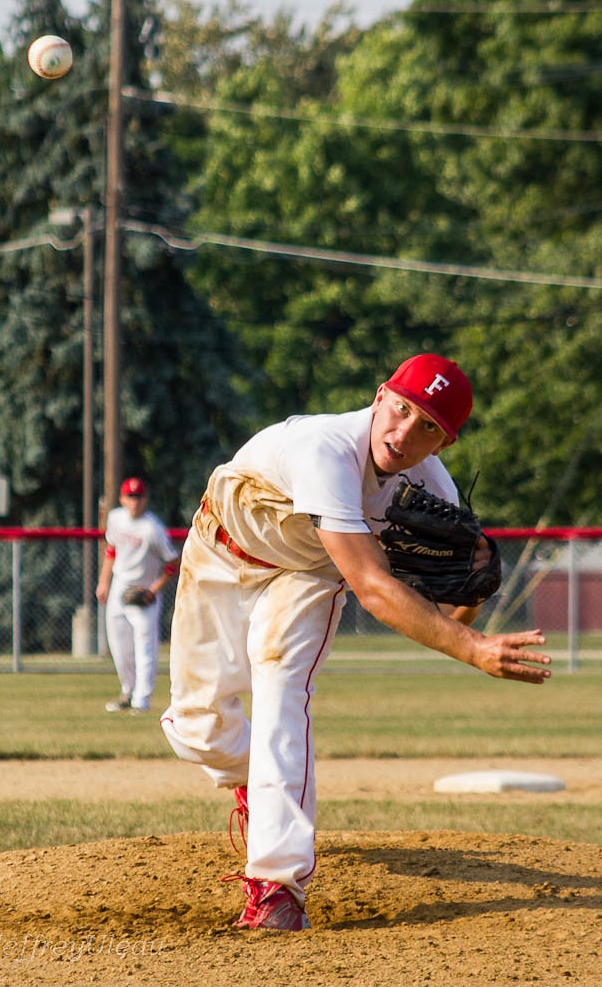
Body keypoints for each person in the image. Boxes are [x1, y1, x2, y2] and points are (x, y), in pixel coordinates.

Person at [160, 354, 550, 930]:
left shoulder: (427, 484)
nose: (405, 432)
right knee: (195, 729)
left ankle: (276, 886)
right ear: (379, 397)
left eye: (428, 428)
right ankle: (264, 787)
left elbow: (440, 606)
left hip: (311, 573)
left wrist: (473, 604)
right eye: (402, 409)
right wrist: (470, 648)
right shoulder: (327, 450)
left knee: (281, 689)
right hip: (221, 548)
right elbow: (374, 586)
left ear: (443, 443)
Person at [96, 477, 180, 714]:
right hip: (119, 587)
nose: (134, 501)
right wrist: (104, 582)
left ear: (146, 499)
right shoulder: (115, 518)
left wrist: (154, 589)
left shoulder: (153, 528)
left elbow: (173, 562)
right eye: (130, 497)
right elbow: (111, 550)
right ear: (122, 499)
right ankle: (128, 691)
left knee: (145, 648)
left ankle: (141, 700)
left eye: (139, 497)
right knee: (119, 646)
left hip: (144, 592)